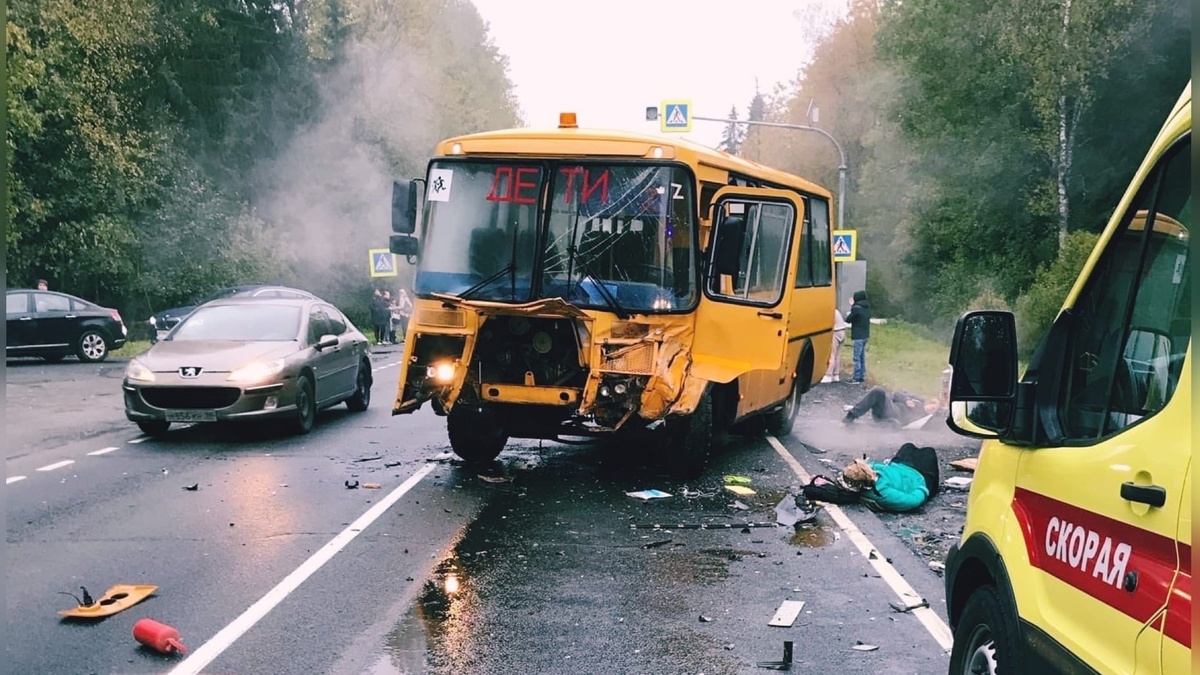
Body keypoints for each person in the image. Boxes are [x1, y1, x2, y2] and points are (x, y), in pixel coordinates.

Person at [843, 386, 939, 428]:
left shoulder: (923, 419)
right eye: (933, 406)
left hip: (893, 421)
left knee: (894, 426)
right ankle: (850, 417)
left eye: (934, 410)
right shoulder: (918, 400)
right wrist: (906, 400)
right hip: (890, 408)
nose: (931, 409)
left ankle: (858, 428)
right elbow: (897, 393)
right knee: (878, 391)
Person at [845, 290, 871, 383]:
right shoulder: (867, 307)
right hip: (865, 335)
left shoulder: (856, 308)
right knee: (862, 357)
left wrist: (852, 305)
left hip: (858, 336)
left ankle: (856, 377)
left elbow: (848, 319)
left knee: (856, 357)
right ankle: (862, 376)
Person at [821, 307, 849, 383]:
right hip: (842, 332)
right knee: (837, 355)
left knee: (831, 354)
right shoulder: (836, 311)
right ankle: (836, 375)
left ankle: (828, 375)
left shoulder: (828, 312)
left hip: (835, 332)